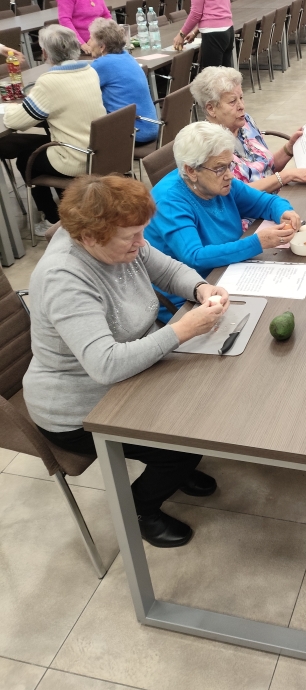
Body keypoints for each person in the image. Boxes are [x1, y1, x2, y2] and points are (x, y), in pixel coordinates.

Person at [25, 175, 229, 548]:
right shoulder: (64, 278)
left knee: (203, 405)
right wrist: (182, 331)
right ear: (90, 237)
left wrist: (201, 288)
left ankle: (175, 470)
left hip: (132, 375)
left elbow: (169, 270)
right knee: (185, 440)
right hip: (80, 407)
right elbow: (105, 366)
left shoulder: (120, 239)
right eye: (132, 237)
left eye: (141, 232)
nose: (141, 242)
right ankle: (140, 508)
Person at [144, 122, 301, 314]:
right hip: (190, 299)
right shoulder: (169, 201)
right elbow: (194, 257)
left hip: (228, 273)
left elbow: (265, 202)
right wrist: (257, 242)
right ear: (191, 171)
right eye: (220, 168)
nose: (229, 175)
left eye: (230, 165)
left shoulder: (220, 183)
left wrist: (284, 212)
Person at [2, 25, 105, 235]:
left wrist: (9, 109)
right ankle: (70, 206)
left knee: (26, 160)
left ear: (45, 53)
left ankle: (52, 219)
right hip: (99, 151)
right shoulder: (90, 70)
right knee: (45, 147)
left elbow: (17, 122)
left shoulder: (49, 82)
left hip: (76, 158)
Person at [190, 67, 306, 206]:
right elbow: (235, 196)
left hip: (275, 199)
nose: (241, 106)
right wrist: (287, 176)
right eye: (232, 101)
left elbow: (267, 168)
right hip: (250, 213)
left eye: (241, 98)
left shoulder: (245, 122)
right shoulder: (208, 146)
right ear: (211, 108)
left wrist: (289, 149)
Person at [89, 18, 159, 144]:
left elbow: (80, 90)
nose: (88, 43)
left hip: (134, 132)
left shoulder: (102, 64)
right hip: (151, 127)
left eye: (91, 39)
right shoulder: (128, 56)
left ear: (102, 46)